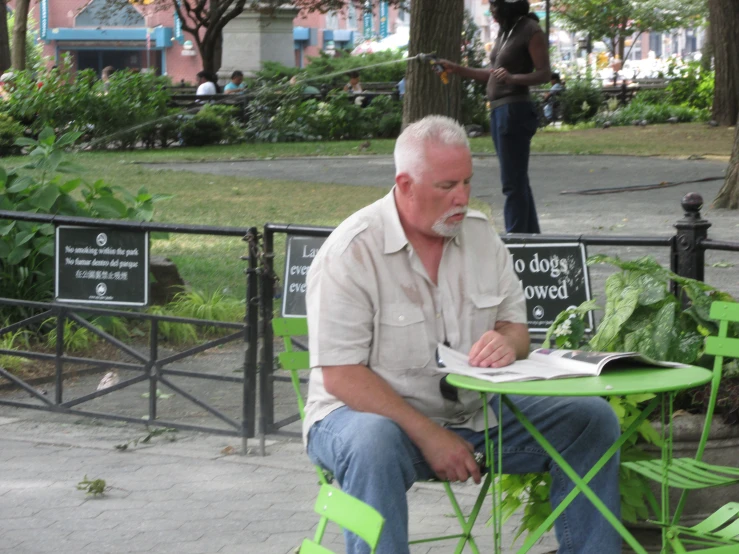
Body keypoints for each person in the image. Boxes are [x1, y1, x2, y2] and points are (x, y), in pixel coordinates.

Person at [303, 115, 622, 554]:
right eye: (446, 186)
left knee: (591, 419)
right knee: (371, 442)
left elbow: (516, 328)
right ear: (406, 184)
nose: (462, 197)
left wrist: (507, 343)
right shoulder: (351, 251)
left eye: (468, 182)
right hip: (362, 420)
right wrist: (429, 436)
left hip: (474, 416)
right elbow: (340, 375)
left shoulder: (480, 236)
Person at [440, 0, 551, 234]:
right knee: (517, 180)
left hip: (514, 111)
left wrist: (513, 78)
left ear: (507, 8)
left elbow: (544, 74)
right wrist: (455, 68)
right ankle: (530, 238)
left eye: (494, 10)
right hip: (499, 110)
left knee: (512, 183)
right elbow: (491, 75)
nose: (492, 14)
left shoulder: (531, 30)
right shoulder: (505, 32)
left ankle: (516, 237)